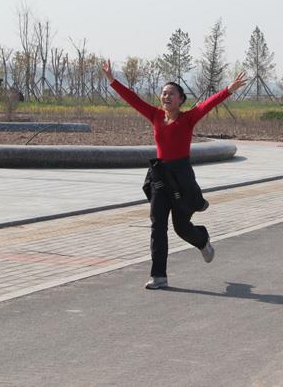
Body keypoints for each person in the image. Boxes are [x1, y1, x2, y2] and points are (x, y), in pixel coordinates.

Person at [102, 60, 248, 289]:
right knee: (157, 226)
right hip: (160, 177)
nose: (166, 96)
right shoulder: (155, 116)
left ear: (181, 99)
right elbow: (133, 99)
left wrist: (229, 89)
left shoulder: (188, 118)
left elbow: (208, 104)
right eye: (164, 93)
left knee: (181, 227)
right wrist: (112, 81)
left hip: (181, 178)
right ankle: (159, 276)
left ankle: (202, 239)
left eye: (171, 93)